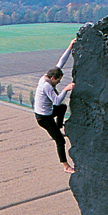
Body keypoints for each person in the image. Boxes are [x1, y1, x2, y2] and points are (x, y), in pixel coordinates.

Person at [34, 40, 75, 174]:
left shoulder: (46, 77)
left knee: (63, 108)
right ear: (52, 78)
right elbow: (56, 100)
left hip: (48, 113)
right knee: (60, 141)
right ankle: (65, 166)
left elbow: (60, 63)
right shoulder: (46, 86)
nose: (58, 82)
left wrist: (70, 47)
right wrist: (66, 89)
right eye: (57, 81)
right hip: (44, 118)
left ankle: (59, 127)